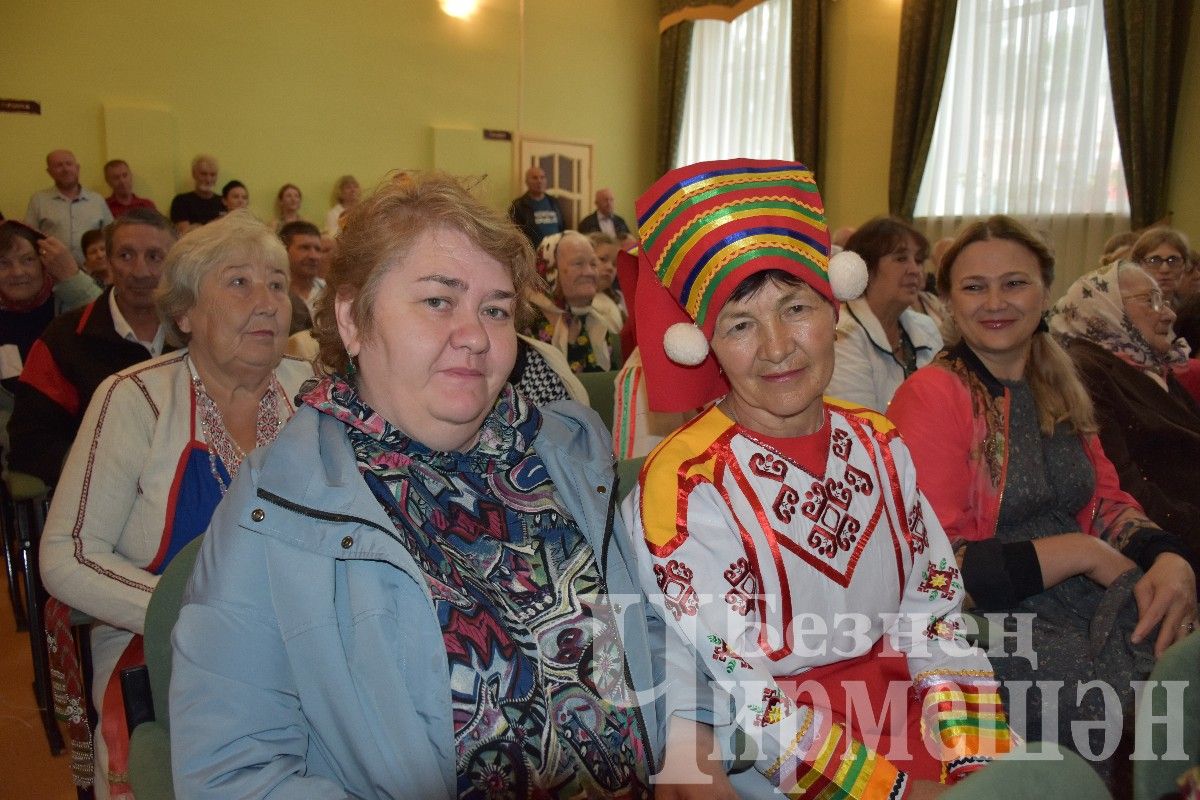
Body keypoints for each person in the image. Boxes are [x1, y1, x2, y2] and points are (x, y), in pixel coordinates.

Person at [170, 171, 661, 798]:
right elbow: (230, 772)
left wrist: (687, 745)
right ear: (352, 319)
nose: (478, 335)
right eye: (438, 301)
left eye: (497, 309)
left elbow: (660, 634)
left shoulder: (568, 454)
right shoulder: (280, 505)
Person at [624, 159, 1011, 799]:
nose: (778, 348)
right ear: (707, 345)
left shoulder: (879, 442)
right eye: (740, 324)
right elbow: (736, 682)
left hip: (914, 712)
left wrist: (973, 755)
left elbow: (934, 614)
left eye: (796, 308)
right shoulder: (689, 486)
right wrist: (894, 792)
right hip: (782, 756)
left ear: (834, 311)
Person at [888, 215, 1197, 786]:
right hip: (993, 624)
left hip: (1084, 598)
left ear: (1045, 290)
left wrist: (1169, 556)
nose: (994, 302)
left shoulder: (1056, 378)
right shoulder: (933, 395)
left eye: (1015, 283)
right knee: (1122, 700)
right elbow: (937, 570)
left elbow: (1105, 500)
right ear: (950, 302)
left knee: (1185, 662)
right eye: (974, 287)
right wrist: (1083, 552)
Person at [39, 210, 314, 799]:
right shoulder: (135, 398)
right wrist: (189, 616)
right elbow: (67, 553)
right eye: (238, 282)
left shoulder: (316, 393)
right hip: (166, 649)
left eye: (276, 281)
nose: (266, 301)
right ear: (185, 313)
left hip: (312, 639)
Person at [8, 209, 177, 484]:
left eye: (155, 257)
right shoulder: (63, 339)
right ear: (107, 262)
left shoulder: (198, 333)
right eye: (126, 256)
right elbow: (29, 440)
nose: (140, 271)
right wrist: (96, 473)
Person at [1049, 261, 1200, 554]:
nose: (1168, 314)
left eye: (1164, 301)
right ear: (1105, 307)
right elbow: (1121, 480)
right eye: (1150, 301)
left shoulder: (1148, 364)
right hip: (1167, 539)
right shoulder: (1087, 369)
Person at [0, 221, 102, 459]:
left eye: (28, 260)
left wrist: (72, 278)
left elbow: (112, 327)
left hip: (84, 439)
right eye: (4, 263)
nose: (17, 273)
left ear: (44, 262)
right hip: (14, 449)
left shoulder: (68, 301)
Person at [827, 216, 943, 412]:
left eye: (919, 260)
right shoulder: (843, 334)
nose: (915, 270)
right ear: (867, 267)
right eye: (901, 258)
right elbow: (861, 426)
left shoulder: (926, 327)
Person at [527, 230, 615, 372]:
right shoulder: (526, 323)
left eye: (593, 264)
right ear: (550, 270)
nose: (589, 272)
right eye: (578, 263)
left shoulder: (596, 322)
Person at [24, 149, 113, 264]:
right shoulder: (39, 200)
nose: (65, 169)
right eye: (59, 165)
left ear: (77, 168)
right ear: (49, 172)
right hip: (54, 272)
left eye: (69, 164)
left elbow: (111, 236)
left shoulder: (97, 200)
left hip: (93, 273)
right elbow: (28, 239)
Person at [1131, 227, 1191, 305]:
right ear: (1138, 265)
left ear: (1185, 265)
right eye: (1154, 260)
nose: (1165, 269)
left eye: (1173, 260)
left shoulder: (1190, 309)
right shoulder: (1123, 311)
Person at [508, 165, 565, 247]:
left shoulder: (554, 202)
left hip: (556, 251)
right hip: (532, 253)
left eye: (542, 177)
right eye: (535, 178)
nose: (539, 181)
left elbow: (562, 227)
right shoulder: (518, 205)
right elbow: (513, 234)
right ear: (527, 182)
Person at [279, 220, 324, 320]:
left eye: (318, 249)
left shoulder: (330, 292)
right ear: (284, 251)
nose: (314, 256)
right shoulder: (273, 293)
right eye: (304, 248)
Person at [169, 154, 223, 233]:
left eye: (213, 175)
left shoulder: (224, 202)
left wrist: (197, 227)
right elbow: (185, 234)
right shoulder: (181, 201)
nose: (208, 179)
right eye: (204, 174)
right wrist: (217, 226)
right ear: (194, 174)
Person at [587, 231, 627, 333]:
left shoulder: (617, 300)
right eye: (603, 259)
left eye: (614, 264)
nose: (610, 268)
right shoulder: (578, 303)